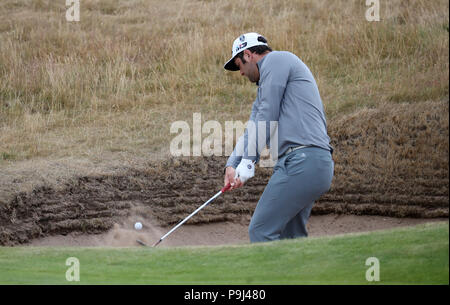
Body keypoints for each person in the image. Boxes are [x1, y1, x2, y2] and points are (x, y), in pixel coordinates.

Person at [223, 32, 334, 243]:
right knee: (290, 239)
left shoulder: (277, 60)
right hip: (307, 164)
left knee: (260, 230)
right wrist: (232, 164)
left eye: (239, 65)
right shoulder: (266, 88)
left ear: (248, 55)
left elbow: (267, 114)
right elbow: (253, 128)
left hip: (302, 161)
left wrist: (249, 161)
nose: (241, 73)